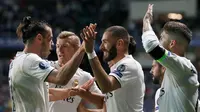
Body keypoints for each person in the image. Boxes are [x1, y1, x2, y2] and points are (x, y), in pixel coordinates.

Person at [8, 16, 85, 112]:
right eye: (50, 39)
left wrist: (71, 92)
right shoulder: (30, 59)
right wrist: (82, 49)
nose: (52, 43)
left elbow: (47, 94)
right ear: (39, 38)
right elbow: (61, 78)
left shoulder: (18, 60)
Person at [142, 4, 199, 112]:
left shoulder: (184, 66)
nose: (159, 41)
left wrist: (146, 22)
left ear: (172, 43)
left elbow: (151, 45)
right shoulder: (171, 78)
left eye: (162, 38)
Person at [80, 24, 145, 112]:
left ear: (119, 43)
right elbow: (108, 109)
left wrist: (91, 53)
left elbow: (106, 87)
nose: (101, 47)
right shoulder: (115, 70)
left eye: (105, 42)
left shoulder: (129, 65)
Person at [48, 31, 102, 112]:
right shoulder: (47, 68)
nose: (60, 50)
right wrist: (73, 92)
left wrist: (84, 95)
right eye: (58, 46)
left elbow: (103, 102)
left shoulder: (84, 76)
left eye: (65, 46)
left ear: (77, 49)